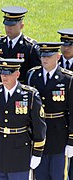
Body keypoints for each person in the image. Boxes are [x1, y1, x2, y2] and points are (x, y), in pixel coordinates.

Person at [0, 58, 46, 179]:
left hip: (19, 152)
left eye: (9, 74)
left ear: (17, 74)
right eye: (2, 73)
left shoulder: (29, 95)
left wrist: (37, 153)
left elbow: (39, 126)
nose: (4, 77)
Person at [26, 42, 73, 179]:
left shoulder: (67, 79)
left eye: (49, 56)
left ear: (58, 57)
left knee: (57, 174)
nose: (45, 59)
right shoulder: (32, 75)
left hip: (59, 134)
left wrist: (71, 139)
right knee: (40, 174)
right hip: (38, 134)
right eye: (43, 56)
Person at [0, 6, 41, 83]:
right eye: (7, 25)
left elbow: (34, 74)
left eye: (12, 25)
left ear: (21, 26)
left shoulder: (30, 47)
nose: (8, 28)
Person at [57, 28, 73, 179]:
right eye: (63, 44)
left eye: (69, 44)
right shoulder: (56, 63)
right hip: (60, 124)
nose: (65, 48)